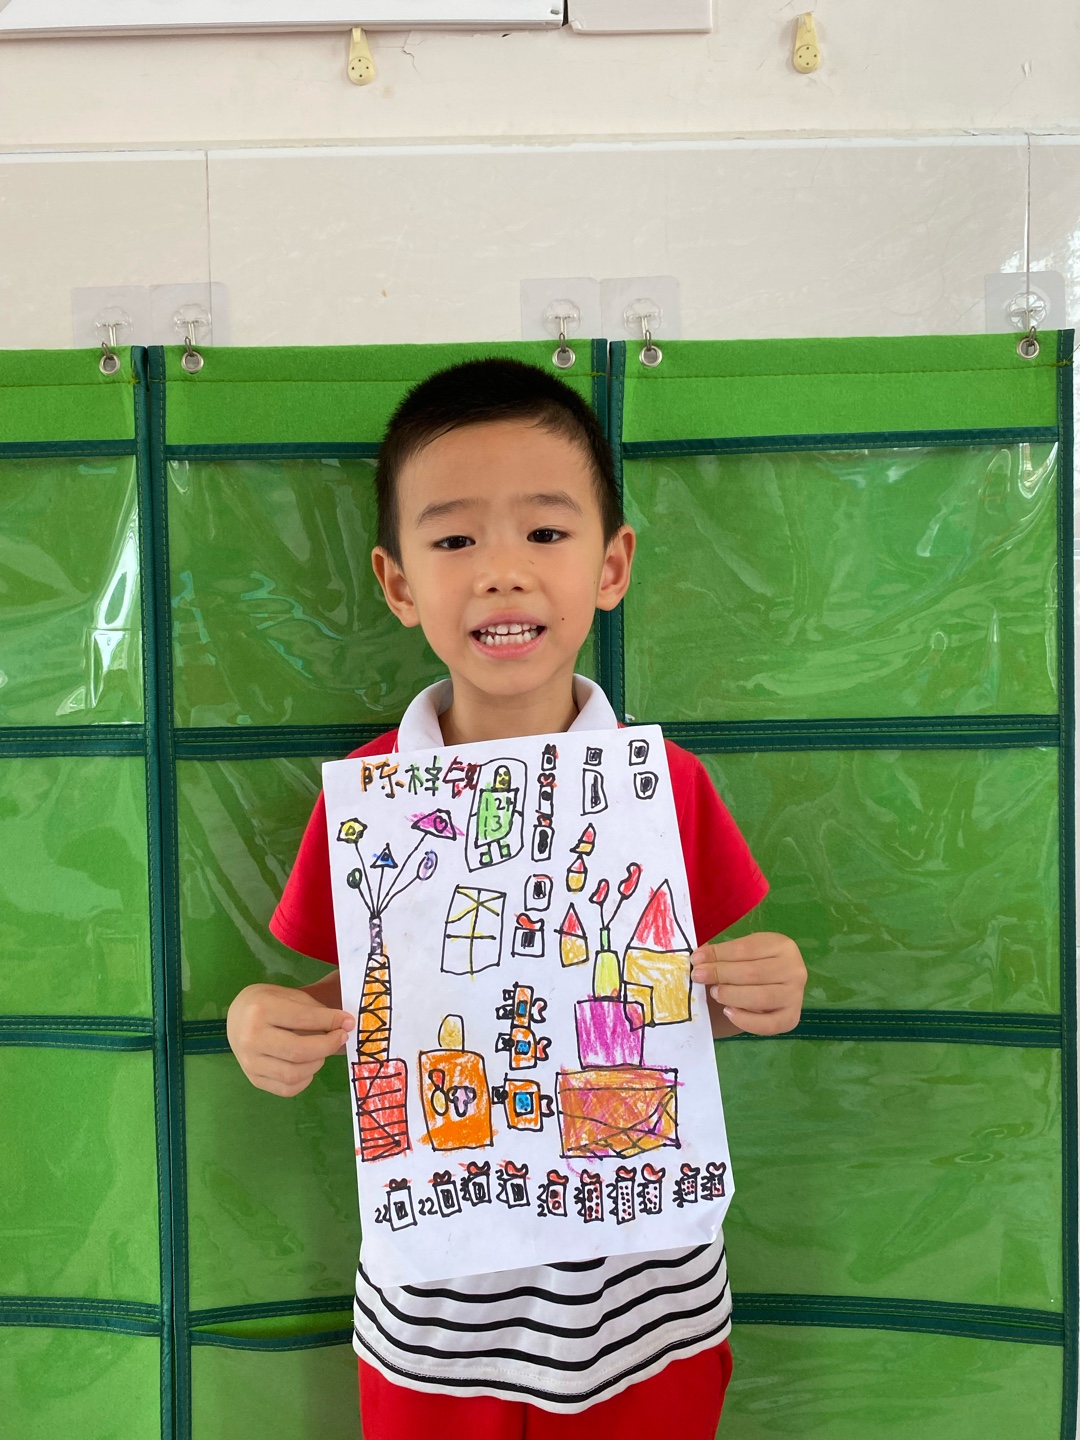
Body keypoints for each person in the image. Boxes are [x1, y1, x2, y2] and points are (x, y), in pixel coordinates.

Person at [226, 358, 807, 1440]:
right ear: (399, 584)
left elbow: (677, 1005)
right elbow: (363, 1002)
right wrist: (263, 1021)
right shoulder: (373, 798)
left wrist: (756, 992)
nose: (502, 574)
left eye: (544, 533)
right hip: (436, 1316)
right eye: (454, 541)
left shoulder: (664, 787)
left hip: (647, 1300)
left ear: (611, 565)